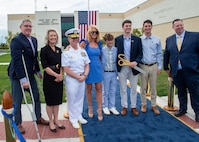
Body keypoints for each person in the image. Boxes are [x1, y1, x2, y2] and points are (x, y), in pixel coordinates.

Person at [8, 19, 49, 134]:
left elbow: (34, 57)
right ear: (21, 27)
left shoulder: (34, 40)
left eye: (30, 26)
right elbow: (17, 61)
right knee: (18, 100)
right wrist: (22, 79)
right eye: (26, 26)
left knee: (36, 96)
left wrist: (37, 70)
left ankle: (38, 117)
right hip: (18, 76)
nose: (28, 28)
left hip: (30, 75)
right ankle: (18, 123)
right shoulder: (16, 40)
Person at [163, 19, 199, 122]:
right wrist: (166, 67)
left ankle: (197, 112)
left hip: (192, 71)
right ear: (173, 27)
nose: (179, 27)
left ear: (183, 25)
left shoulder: (195, 36)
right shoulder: (169, 39)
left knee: (195, 93)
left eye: (180, 25)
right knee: (181, 92)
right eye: (177, 26)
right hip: (177, 72)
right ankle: (183, 109)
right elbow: (167, 54)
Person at [62, 28, 90, 129]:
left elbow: (87, 64)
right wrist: (78, 77)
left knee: (80, 98)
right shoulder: (66, 52)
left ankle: (79, 115)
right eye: (72, 38)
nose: (75, 40)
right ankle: (73, 118)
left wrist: (85, 75)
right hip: (72, 78)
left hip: (82, 77)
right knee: (72, 98)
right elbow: (66, 68)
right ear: (69, 39)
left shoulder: (82, 51)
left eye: (76, 38)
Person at [115, 19, 143, 116]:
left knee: (134, 88)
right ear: (123, 27)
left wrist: (135, 62)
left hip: (133, 67)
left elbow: (140, 53)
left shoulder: (137, 39)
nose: (128, 27)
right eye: (126, 26)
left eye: (129, 26)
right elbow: (115, 53)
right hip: (122, 67)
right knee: (123, 88)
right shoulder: (117, 39)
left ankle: (134, 107)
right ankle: (124, 106)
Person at [40, 29, 65, 132]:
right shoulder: (44, 50)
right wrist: (56, 75)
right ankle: (50, 121)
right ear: (48, 37)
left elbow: (62, 64)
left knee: (57, 101)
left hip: (58, 79)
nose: (53, 37)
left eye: (55, 35)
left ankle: (56, 119)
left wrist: (61, 75)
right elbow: (45, 67)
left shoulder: (59, 50)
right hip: (50, 79)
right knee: (50, 102)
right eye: (51, 36)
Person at [79, 25, 103, 121]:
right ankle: (90, 108)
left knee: (98, 89)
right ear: (89, 33)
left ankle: (100, 110)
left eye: (96, 32)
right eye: (92, 32)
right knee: (88, 89)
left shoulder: (99, 43)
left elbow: (101, 55)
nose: (94, 34)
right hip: (88, 67)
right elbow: (78, 51)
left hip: (97, 67)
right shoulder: (85, 42)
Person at [139, 19, 162, 115]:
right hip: (143, 65)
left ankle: (153, 105)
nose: (147, 28)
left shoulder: (157, 39)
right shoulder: (139, 40)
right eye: (146, 26)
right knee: (143, 87)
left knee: (153, 87)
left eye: (149, 26)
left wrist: (159, 67)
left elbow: (159, 54)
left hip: (153, 66)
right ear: (143, 27)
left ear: (151, 27)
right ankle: (143, 104)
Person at [101, 33, 119, 115]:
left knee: (113, 91)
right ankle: (105, 106)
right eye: (108, 40)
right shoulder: (102, 50)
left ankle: (112, 106)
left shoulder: (116, 49)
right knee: (105, 91)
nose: (110, 42)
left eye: (111, 40)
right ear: (105, 41)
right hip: (105, 73)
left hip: (114, 73)